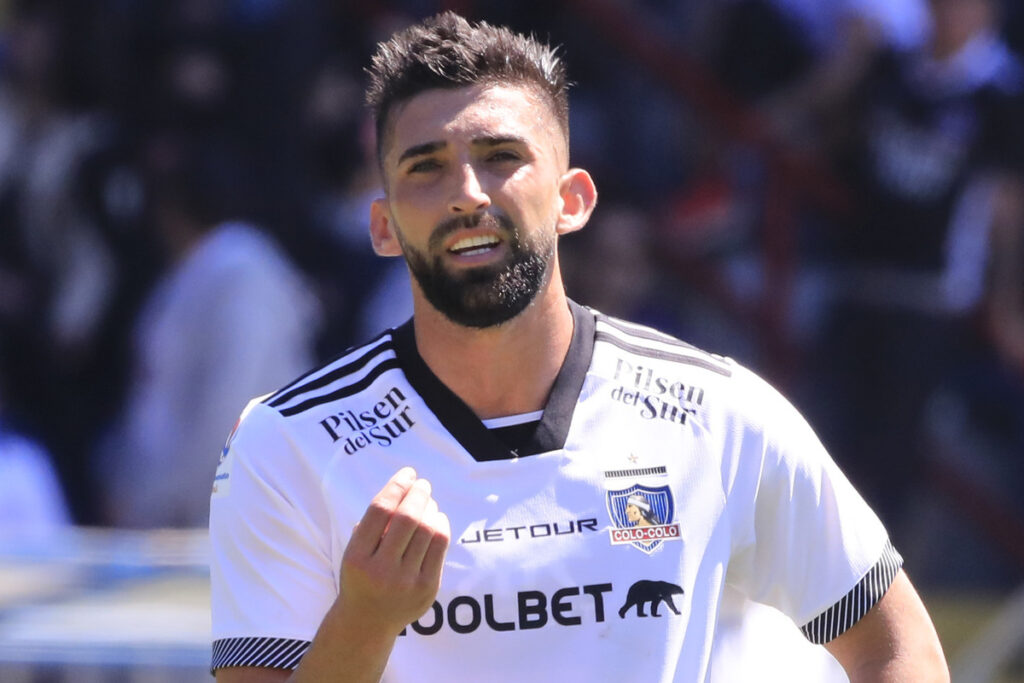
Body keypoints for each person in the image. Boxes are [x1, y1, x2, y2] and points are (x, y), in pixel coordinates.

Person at [209, 12, 948, 682]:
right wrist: (365, 622)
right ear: (382, 224)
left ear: (573, 200)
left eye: (501, 155)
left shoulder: (720, 414)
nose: (467, 191)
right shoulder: (288, 443)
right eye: (425, 165)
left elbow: (900, 648)